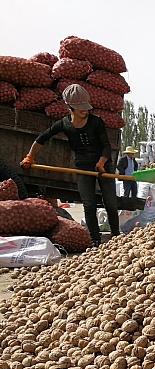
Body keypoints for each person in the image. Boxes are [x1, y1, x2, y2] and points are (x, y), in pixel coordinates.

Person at [20, 84, 119, 247]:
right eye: (80, 108)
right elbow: (42, 139)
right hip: (83, 167)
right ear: (70, 107)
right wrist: (30, 156)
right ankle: (95, 239)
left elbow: (106, 146)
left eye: (86, 107)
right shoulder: (64, 124)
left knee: (110, 202)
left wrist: (102, 162)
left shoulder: (96, 122)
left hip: (103, 166)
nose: (84, 111)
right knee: (89, 204)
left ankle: (116, 235)